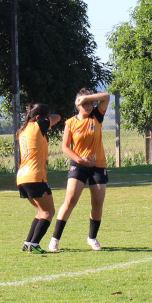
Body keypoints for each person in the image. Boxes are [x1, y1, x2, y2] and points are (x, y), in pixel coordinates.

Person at [49, 89, 111, 252]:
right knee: (70, 200)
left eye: (91, 102)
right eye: (85, 103)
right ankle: (55, 239)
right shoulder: (70, 123)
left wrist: (87, 97)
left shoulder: (97, 117)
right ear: (78, 104)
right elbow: (65, 147)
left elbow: (106, 97)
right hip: (79, 165)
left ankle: (92, 238)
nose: (89, 105)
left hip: (98, 165)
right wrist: (80, 160)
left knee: (97, 203)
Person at [16, 103, 61, 253]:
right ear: (38, 117)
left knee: (41, 212)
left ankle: (28, 242)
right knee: (49, 212)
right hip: (35, 176)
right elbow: (58, 117)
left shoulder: (22, 131)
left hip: (22, 177)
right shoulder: (36, 125)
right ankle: (34, 245)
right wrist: (48, 118)